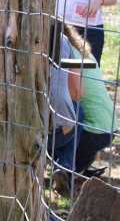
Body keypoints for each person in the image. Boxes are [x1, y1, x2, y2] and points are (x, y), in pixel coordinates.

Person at [64, 25, 118, 177]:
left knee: (60, 113)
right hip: (110, 125)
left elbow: (77, 94)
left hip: (93, 130)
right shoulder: (84, 52)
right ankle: (78, 165)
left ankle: (68, 166)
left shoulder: (67, 54)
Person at [48, 31, 83, 196]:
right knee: (78, 113)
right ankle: (64, 167)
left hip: (20, 131)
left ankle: (61, 166)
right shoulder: (63, 41)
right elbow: (76, 92)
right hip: (53, 135)